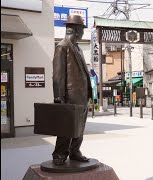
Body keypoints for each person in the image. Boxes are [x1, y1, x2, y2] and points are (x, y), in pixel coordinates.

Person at [52, 15, 91, 165]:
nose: (82, 33)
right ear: (75, 30)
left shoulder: (78, 49)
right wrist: (58, 96)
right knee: (66, 127)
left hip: (81, 96)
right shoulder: (62, 46)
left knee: (79, 127)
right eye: (81, 29)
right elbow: (58, 74)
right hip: (69, 96)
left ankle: (75, 151)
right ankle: (59, 154)